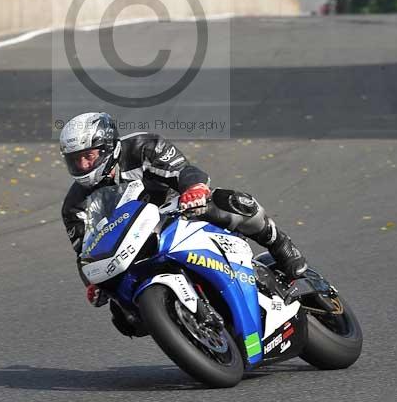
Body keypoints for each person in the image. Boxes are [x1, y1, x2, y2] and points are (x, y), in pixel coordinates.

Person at [60, 112, 308, 315]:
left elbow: (183, 170)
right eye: (75, 160)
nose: (82, 166)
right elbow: (85, 253)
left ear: (107, 148)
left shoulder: (142, 147)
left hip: (177, 212)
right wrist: (92, 284)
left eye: (88, 156)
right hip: (132, 247)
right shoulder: (74, 206)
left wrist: (194, 189)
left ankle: (281, 245)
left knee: (233, 202)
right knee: (123, 316)